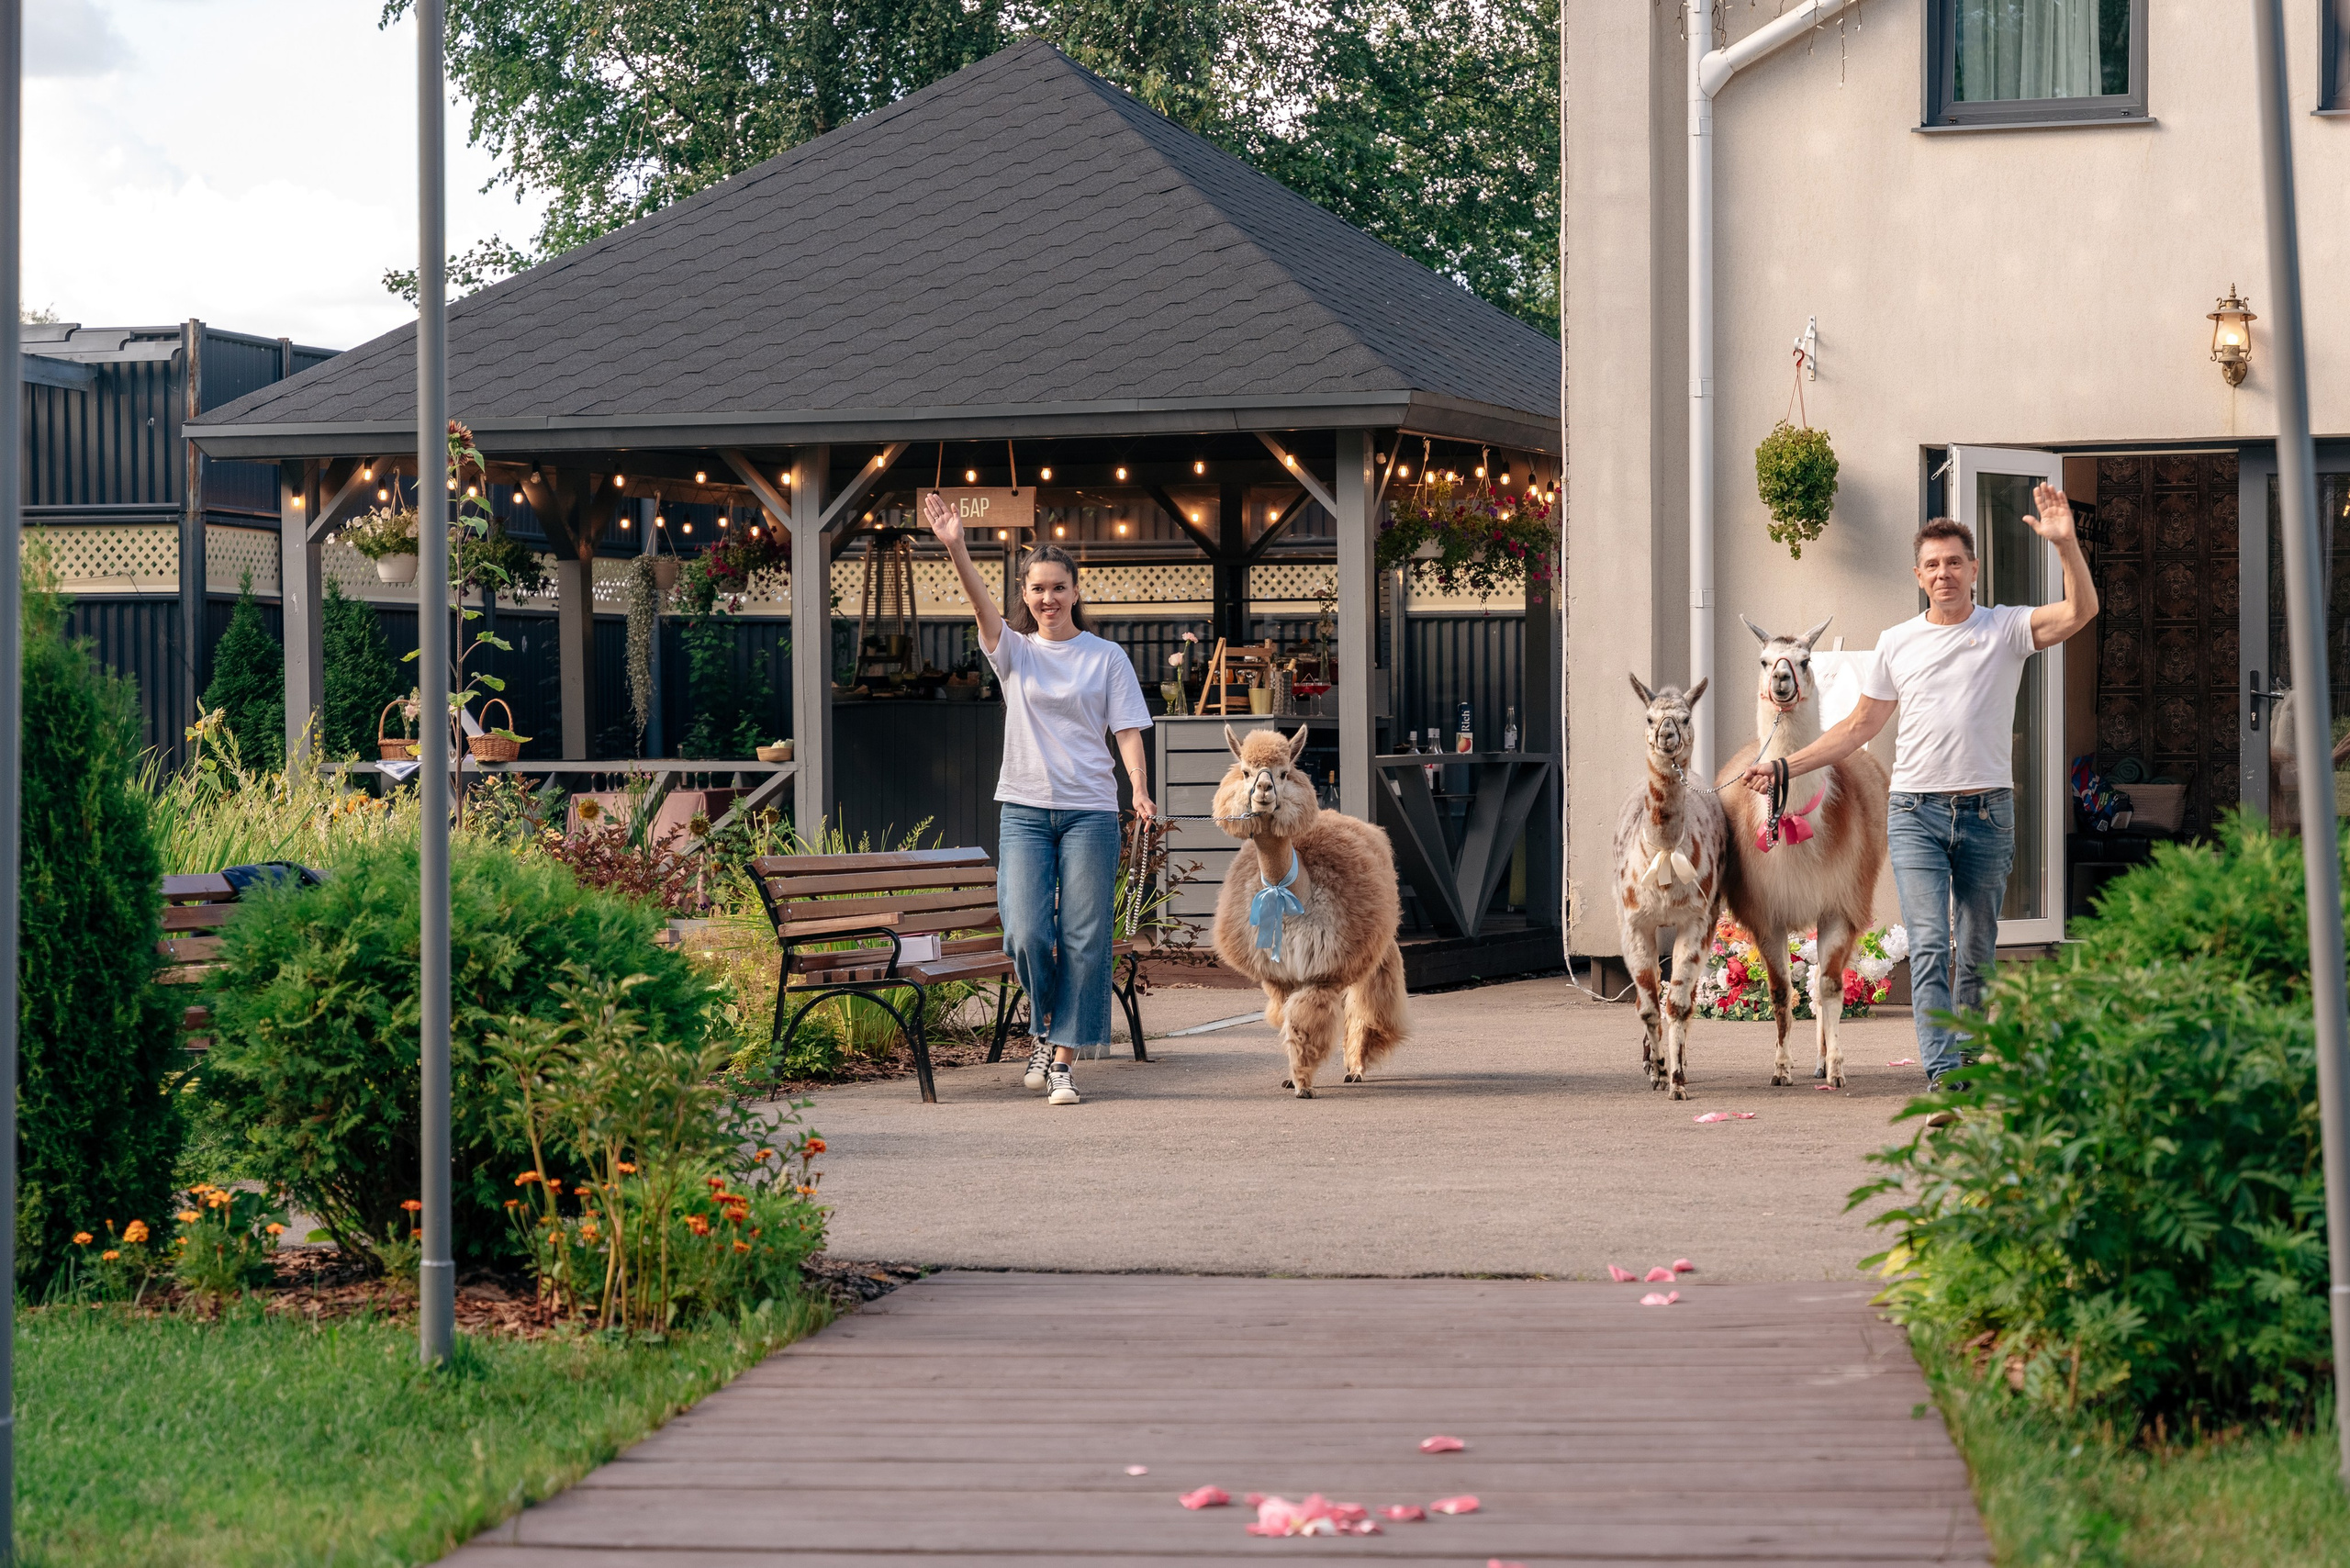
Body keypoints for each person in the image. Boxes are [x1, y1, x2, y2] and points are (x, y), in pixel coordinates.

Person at [1740, 486, 2097, 1092]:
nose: (1944, 573)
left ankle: (1968, 1055)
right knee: (1931, 945)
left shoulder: (2004, 629)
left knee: (1977, 949)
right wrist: (1785, 767)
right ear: (1918, 575)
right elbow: (1858, 727)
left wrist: (2067, 548)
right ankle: (1945, 1073)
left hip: (1988, 812)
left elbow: (2078, 613)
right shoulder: (1896, 643)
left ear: (1974, 569)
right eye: (1932, 564)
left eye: (1954, 561)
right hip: (1916, 814)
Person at [924, 491, 1155, 1107]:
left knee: (1084, 937)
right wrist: (955, 546)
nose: (1047, 597)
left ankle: (1060, 1061)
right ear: (1024, 596)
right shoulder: (1014, 653)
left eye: (1058, 587)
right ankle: (1045, 1025)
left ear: (1075, 591)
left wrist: (1139, 789)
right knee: (1025, 931)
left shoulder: (1107, 658)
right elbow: (979, 604)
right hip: (1025, 811)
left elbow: (1127, 729)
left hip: (1090, 812)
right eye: (1036, 589)